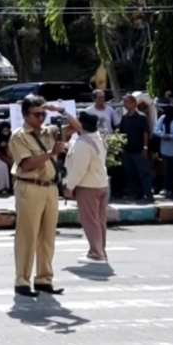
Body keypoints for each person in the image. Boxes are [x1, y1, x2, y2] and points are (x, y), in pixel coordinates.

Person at [10, 95, 81, 297]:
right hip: (30, 185)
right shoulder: (20, 135)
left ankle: (43, 278)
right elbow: (27, 164)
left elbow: (77, 128)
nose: (41, 117)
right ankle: (22, 280)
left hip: (50, 187)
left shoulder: (50, 132)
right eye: (36, 114)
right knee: (27, 236)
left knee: (48, 237)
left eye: (43, 113)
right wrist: (51, 153)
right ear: (25, 115)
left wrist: (60, 111)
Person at [65, 112, 110, 263]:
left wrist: (70, 186)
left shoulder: (83, 142)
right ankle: (100, 250)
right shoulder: (98, 138)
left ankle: (96, 253)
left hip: (88, 185)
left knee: (90, 220)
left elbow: (79, 169)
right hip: (101, 183)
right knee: (99, 220)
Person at [117, 94, 154, 201]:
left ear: (134, 103)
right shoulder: (124, 118)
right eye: (124, 102)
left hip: (140, 150)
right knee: (131, 173)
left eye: (127, 102)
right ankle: (137, 193)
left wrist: (145, 147)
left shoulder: (142, 117)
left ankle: (148, 193)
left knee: (145, 172)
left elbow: (146, 133)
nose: (125, 104)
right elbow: (121, 134)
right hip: (127, 151)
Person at [152, 100, 173, 198]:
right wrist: (163, 135)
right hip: (165, 149)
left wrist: (172, 136)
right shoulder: (163, 118)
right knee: (167, 170)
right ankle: (167, 188)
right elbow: (156, 129)